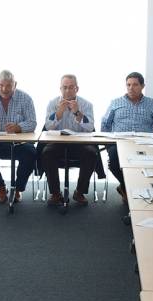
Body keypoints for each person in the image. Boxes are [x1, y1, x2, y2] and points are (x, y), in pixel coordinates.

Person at [101, 72, 153, 201]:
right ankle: (126, 187)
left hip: (145, 144)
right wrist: (108, 145)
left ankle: (132, 190)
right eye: (128, 85)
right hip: (119, 143)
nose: (131, 88)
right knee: (113, 163)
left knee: (149, 167)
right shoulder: (115, 103)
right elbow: (105, 124)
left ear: (142, 86)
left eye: (135, 85)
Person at [0, 70, 37, 203]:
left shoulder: (26, 98)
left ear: (15, 85)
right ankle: (0, 186)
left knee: (31, 153)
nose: (4, 89)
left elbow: (32, 123)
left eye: (8, 85)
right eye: (1, 85)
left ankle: (18, 188)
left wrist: (19, 127)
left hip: (19, 144)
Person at [41, 74, 97, 206]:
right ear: (60, 88)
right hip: (57, 143)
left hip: (80, 143)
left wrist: (77, 112)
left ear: (77, 89)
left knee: (91, 153)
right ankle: (55, 193)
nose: (67, 91)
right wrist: (59, 113)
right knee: (46, 153)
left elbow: (90, 128)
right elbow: (48, 127)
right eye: (64, 87)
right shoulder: (52, 103)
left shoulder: (86, 104)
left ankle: (80, 192)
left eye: (71, 87)